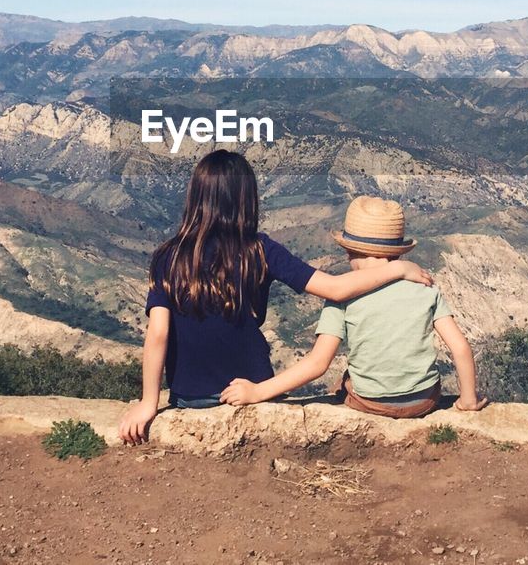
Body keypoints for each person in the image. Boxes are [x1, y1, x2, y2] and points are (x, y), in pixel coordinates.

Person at [118, 151, 434, 443]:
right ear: (247, 201)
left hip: (192, 395)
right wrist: (399, 269)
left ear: (195, 198)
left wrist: (149, 402)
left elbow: (158, 334)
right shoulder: (260, 249)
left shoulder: (168, 257)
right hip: (256, 388)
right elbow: (336, 288)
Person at [220, 195, 487, 418]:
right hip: (424, 401)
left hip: (371, 404)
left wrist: (258, 391)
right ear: (398, 253)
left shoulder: (342, 295)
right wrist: (468, 400)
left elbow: (317, 364)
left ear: (349, 252)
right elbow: (460, 347)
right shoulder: (424, 286)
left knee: (342, 383)